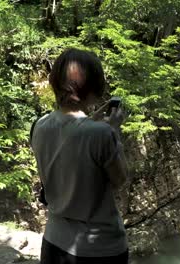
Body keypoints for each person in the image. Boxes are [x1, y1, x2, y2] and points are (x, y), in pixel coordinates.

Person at [30, 48, 129, 264]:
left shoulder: (39, 125)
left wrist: (94, 123)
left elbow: (70, 142)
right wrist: (114, 130)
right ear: (93, 86)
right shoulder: (101, 134)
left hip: (53, 243)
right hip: (99, 249)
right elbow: (119, 179)